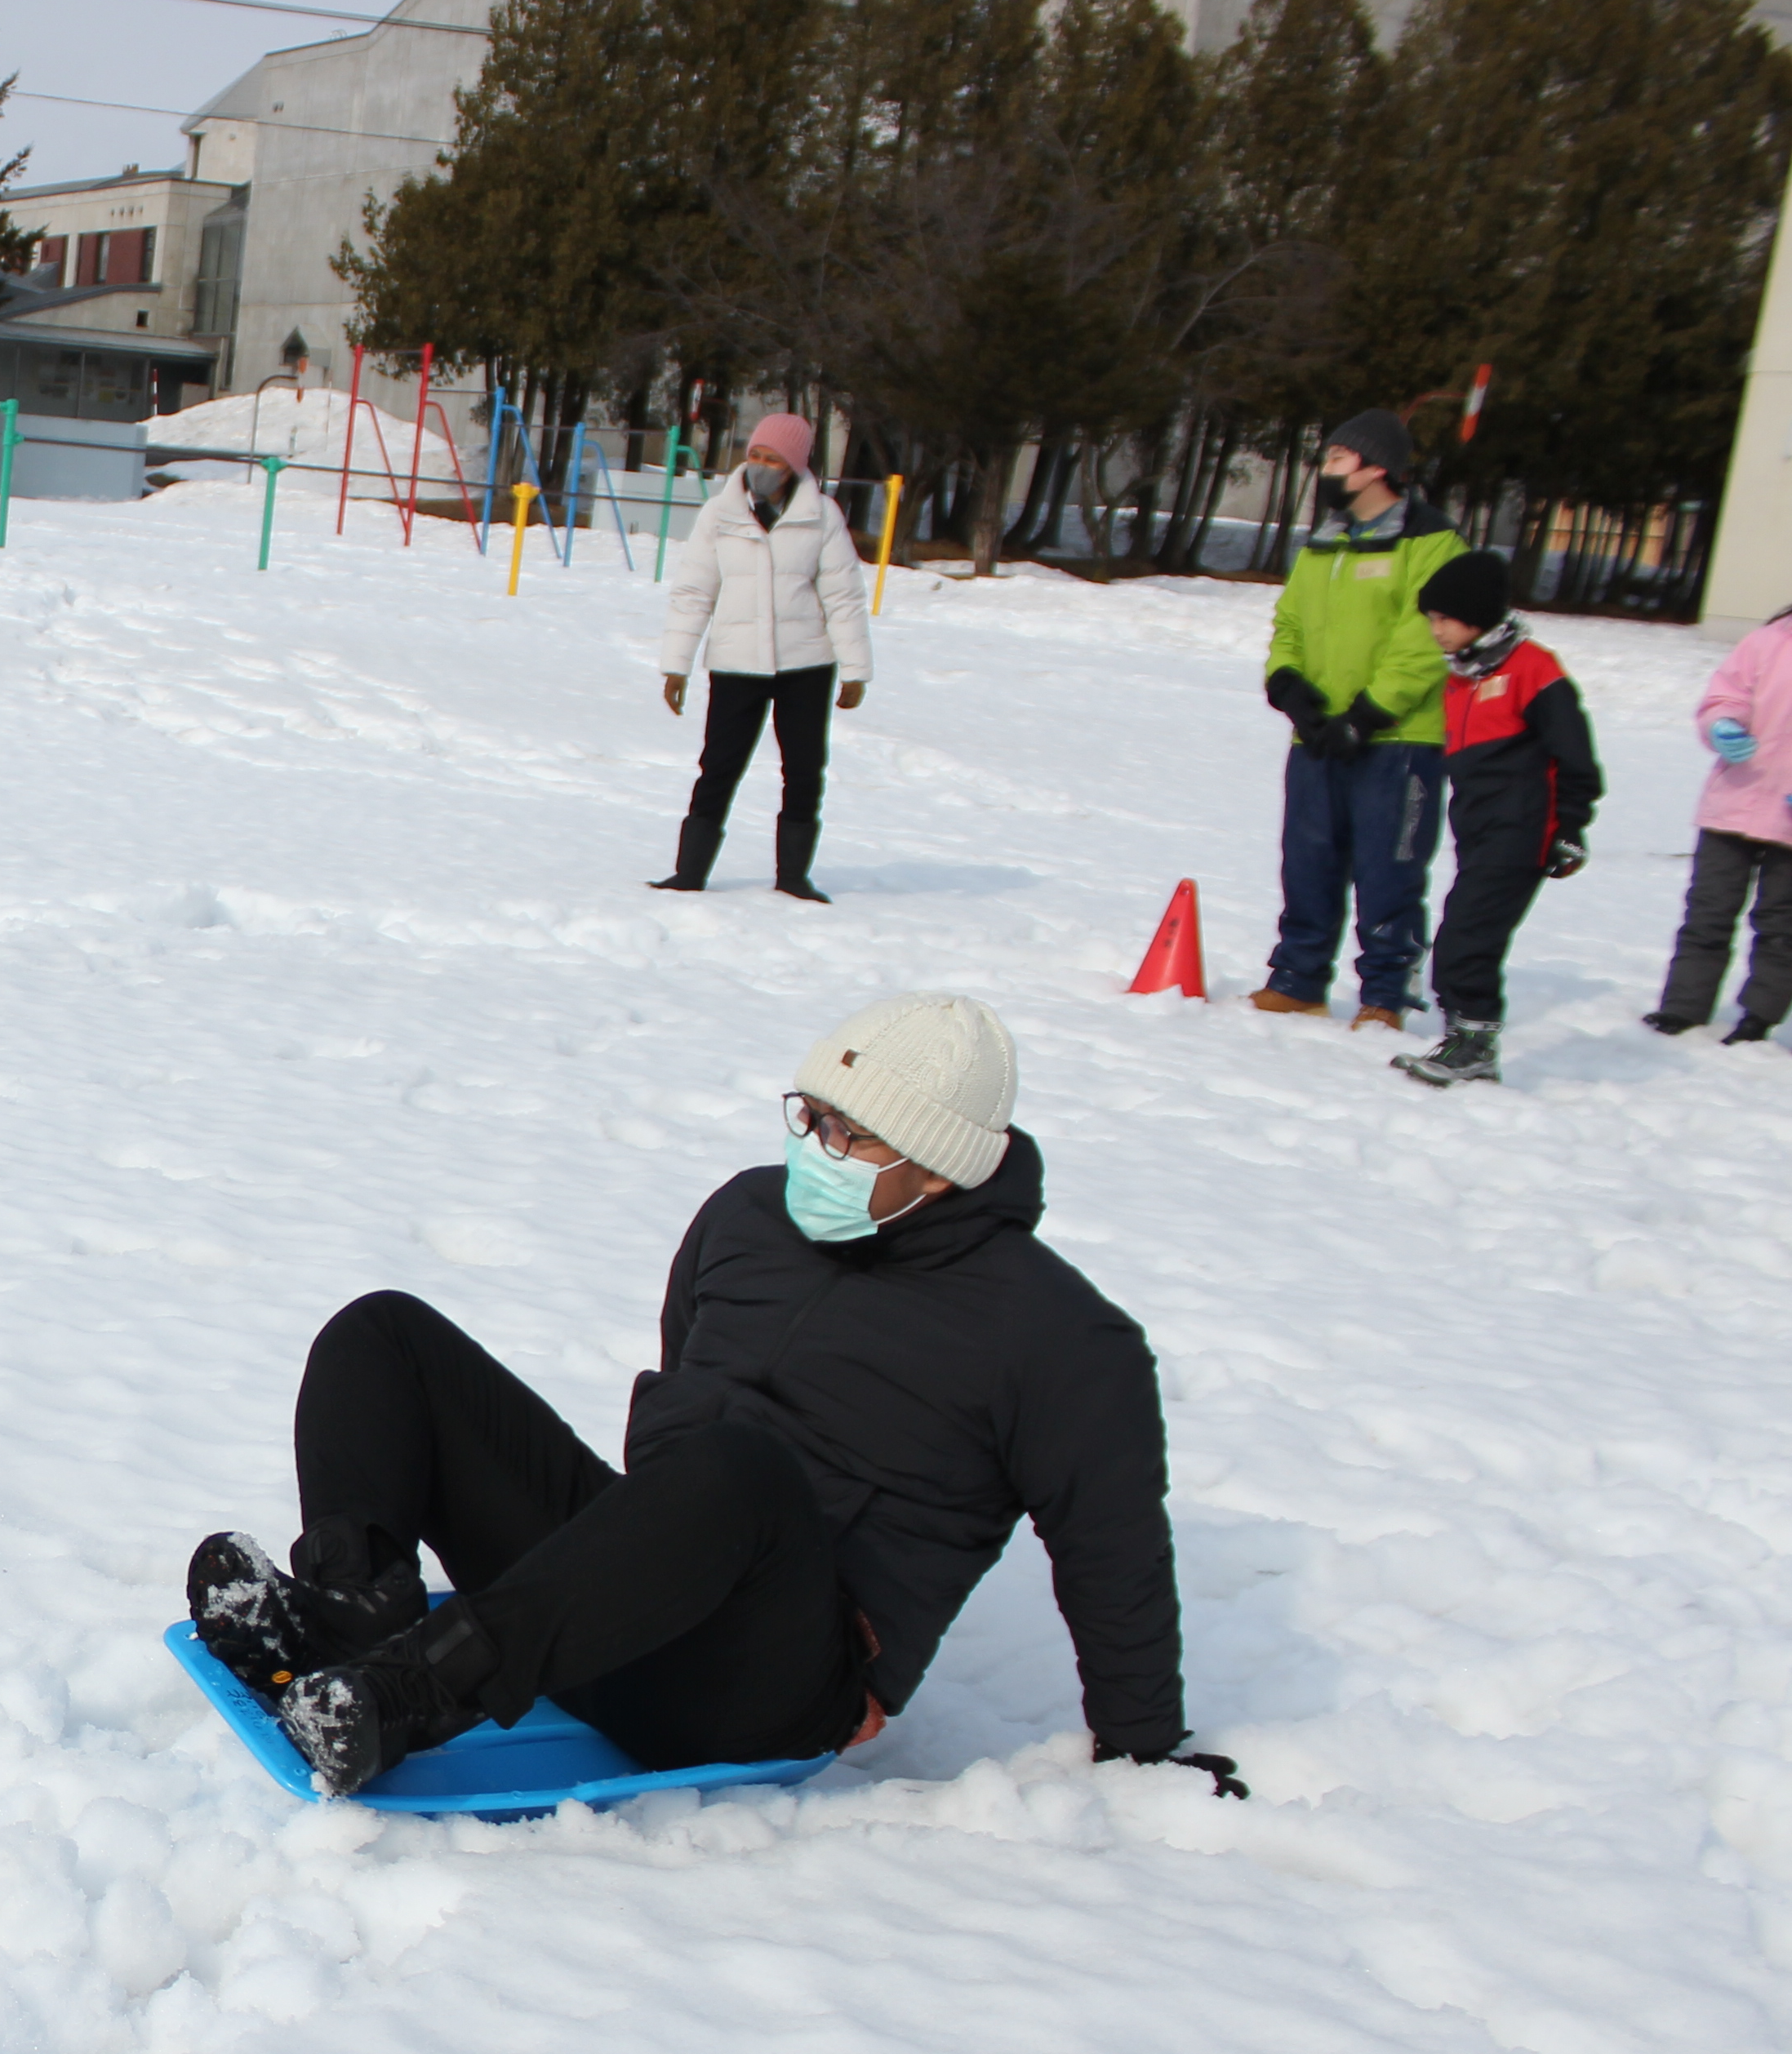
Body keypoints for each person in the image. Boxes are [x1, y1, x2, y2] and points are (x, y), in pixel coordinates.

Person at [186, 994, 1233, 1807]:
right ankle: (348, 1621)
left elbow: (1116, 1555)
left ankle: (407, 1697)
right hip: (625, 1604)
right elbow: (681, 1387)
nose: (812, 1148)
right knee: (386, 1334)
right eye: (809, 1114)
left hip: (763, 1685)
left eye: (851, 1135)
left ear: (942, 1166)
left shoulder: (1060, 1340)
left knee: (739, 1469)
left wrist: (1145, 1749)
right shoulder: (747, 1215)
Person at [1256, 407, 1465, 1029]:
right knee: (1307, 859)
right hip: (1318, 735)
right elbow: (1289, 623)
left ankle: (1386, 993)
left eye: (1337, 460)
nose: (1326, 471)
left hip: (1397, 739)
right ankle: (1297, 978)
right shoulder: (1323, 543)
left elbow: (1424, 639)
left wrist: (1368, 714)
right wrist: (1290, 688)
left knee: (1388, 868)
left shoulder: (1431, 543)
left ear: (1378, 469)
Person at [1390, 552, 1598, 1091]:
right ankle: (1464, 1038)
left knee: (1469, 934)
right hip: (1478, 826)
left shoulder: (1533, 668)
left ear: (1477, 617)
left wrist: (1570, 827)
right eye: (1430, 619)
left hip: (1525, 827)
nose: (1434, 630)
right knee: (1462, 927)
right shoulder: (1463, 676)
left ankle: (1475, 1044)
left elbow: (1575, 755)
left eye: (1444, 619)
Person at [651, 410, 871, 904]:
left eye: (772, 458)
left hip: (806, 666)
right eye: (755, 455)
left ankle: (793, 876)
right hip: (735, 665)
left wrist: (855, 671)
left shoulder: (822, 516)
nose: (760, 465)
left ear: (793, 465)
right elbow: (693, 592)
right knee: (719, 766)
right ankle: (689, 873)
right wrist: (675, 664)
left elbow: (844, 597)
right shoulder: (719, 514)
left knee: (803, 768)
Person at [1649, 602, 1792, 1046]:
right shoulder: (1769, 641)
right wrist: (1723, 726)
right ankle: (1683, 1007)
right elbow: (1723, 698)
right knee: (1708, 911)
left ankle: (1759, 1016)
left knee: (1782, 923)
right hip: (1734, 803)